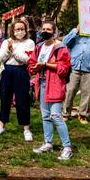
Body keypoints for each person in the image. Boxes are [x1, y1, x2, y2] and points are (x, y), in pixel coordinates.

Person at [28, 21, 73, 160]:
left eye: (48, 29)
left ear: (54, 32)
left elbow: (64, 68)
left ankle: (67, 147)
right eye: (43, 29)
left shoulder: (60, 48)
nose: (45, 31)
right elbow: (31, 62)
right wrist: (34, 68)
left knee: (55, 116)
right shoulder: (39, 47)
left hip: (54, 84)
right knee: (45, 116)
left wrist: (46, 64)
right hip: (41, 83)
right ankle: (48, 143)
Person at [0, 19, 35, 141]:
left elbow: (26, 59)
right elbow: (0, 58)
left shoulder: (29, 42)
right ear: (13, 30)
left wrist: (13, 51)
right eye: (18, 29)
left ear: (25, 30)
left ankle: (26, 129)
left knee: (23, 100)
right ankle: (1, 126)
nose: (20, 31)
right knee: (5, 99)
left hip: (21, 71)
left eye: (22, 29)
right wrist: (8, 50)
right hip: (7, 71)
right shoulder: (7, 41)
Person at [62, 26, 90, 124]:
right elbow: (64, 42)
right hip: (74, 68)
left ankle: (83, 115)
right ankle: (65, 113)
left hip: (89, 69)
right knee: (70, 91)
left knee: (86, 93)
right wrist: (75, 30)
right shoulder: (75, 35)